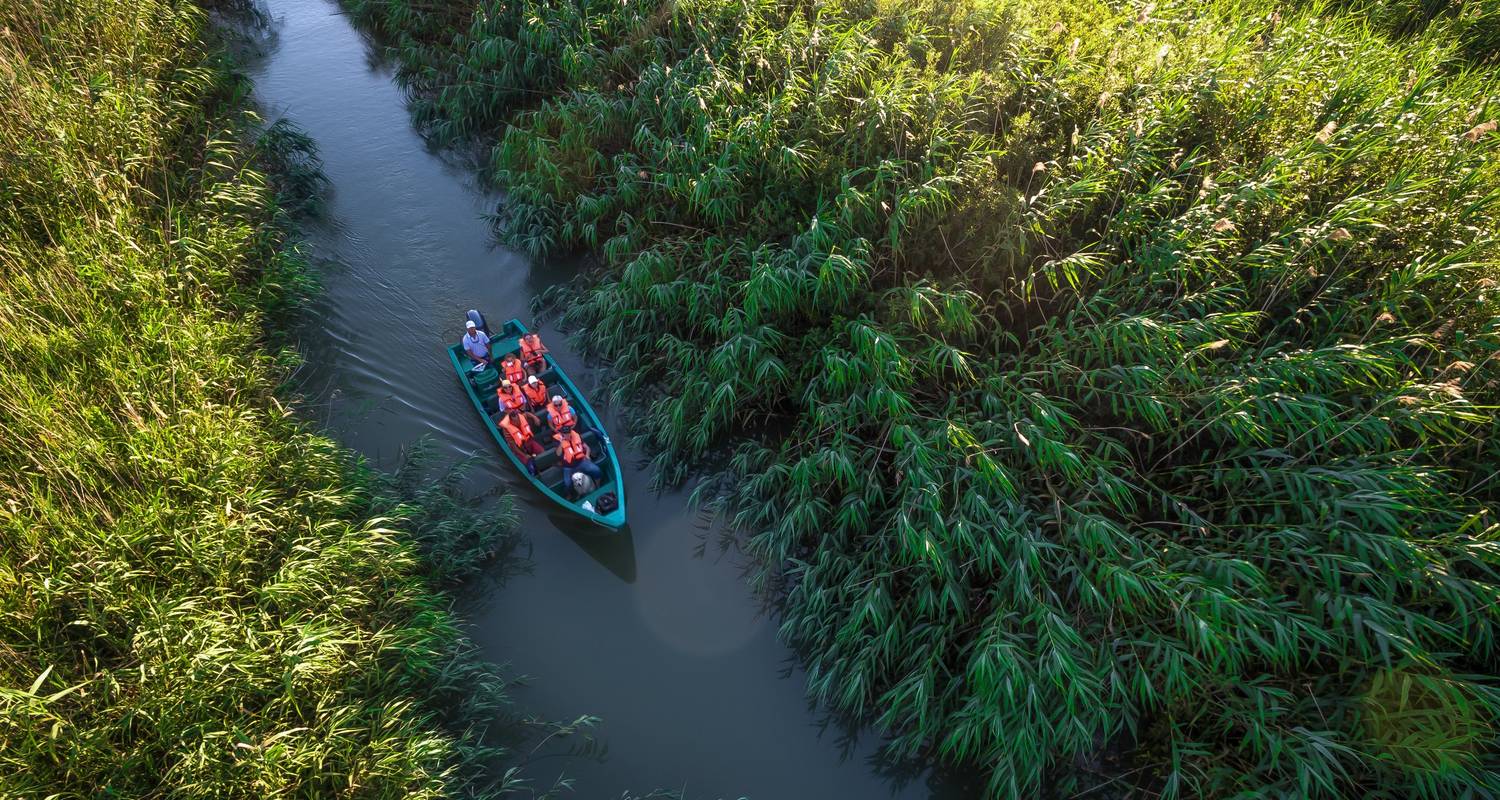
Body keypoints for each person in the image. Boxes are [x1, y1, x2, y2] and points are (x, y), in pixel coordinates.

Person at [554, 424, 601, 494]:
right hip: (568, 467)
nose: (567, 435)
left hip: (581, 462)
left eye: (568, 433)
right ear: (562, 434)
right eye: (565, 433)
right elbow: (558, 454)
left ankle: (598, 486)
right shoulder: (558, 441)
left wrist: (587, 455)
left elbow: (587, 447)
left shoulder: (576, 436)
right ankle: (570, 495)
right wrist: (561, 443)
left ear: (570, 432)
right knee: (568, 484)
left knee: (596, 470)